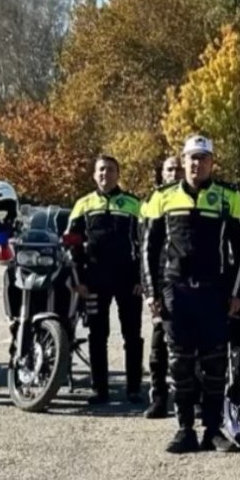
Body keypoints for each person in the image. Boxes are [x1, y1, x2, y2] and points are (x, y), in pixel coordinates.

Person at [146, 136, 240, 453]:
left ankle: (213, 430)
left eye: (203, 158)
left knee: (215, 365)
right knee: (180, 365)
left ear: (211, 163)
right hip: (175, 292)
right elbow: (148, 249)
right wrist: (152, 292)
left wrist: (237, 292)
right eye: (192, 158)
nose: (197, 164)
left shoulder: (229, 196)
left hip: (213, 294)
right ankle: (184, 429)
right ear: (183, 161)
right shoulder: (162, 197)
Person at [66, 155, 145, 405]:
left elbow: (146, 245)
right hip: (94, 281)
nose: (105, 174)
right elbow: (71, 245)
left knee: (132, 335)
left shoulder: (134, 204)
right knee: (98, 335)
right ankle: (99, 389)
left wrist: (142, 278)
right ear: (94, 174)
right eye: (101, 170)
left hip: (128, 280)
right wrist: (78, 279)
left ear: (117, 174)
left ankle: (133, 388)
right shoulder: (83, 204)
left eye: (110, 170)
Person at [140, 155, 182, 418]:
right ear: (162, 173)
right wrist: (147, 288)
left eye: (178, 168)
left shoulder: (195, 199)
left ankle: (193, 398)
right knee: (159, 346)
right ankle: (158, 398)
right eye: (170, 169)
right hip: (160, 283)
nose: (175, 173)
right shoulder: (151, 203)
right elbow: (143, 248)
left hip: (187, 284)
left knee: (191, 347)